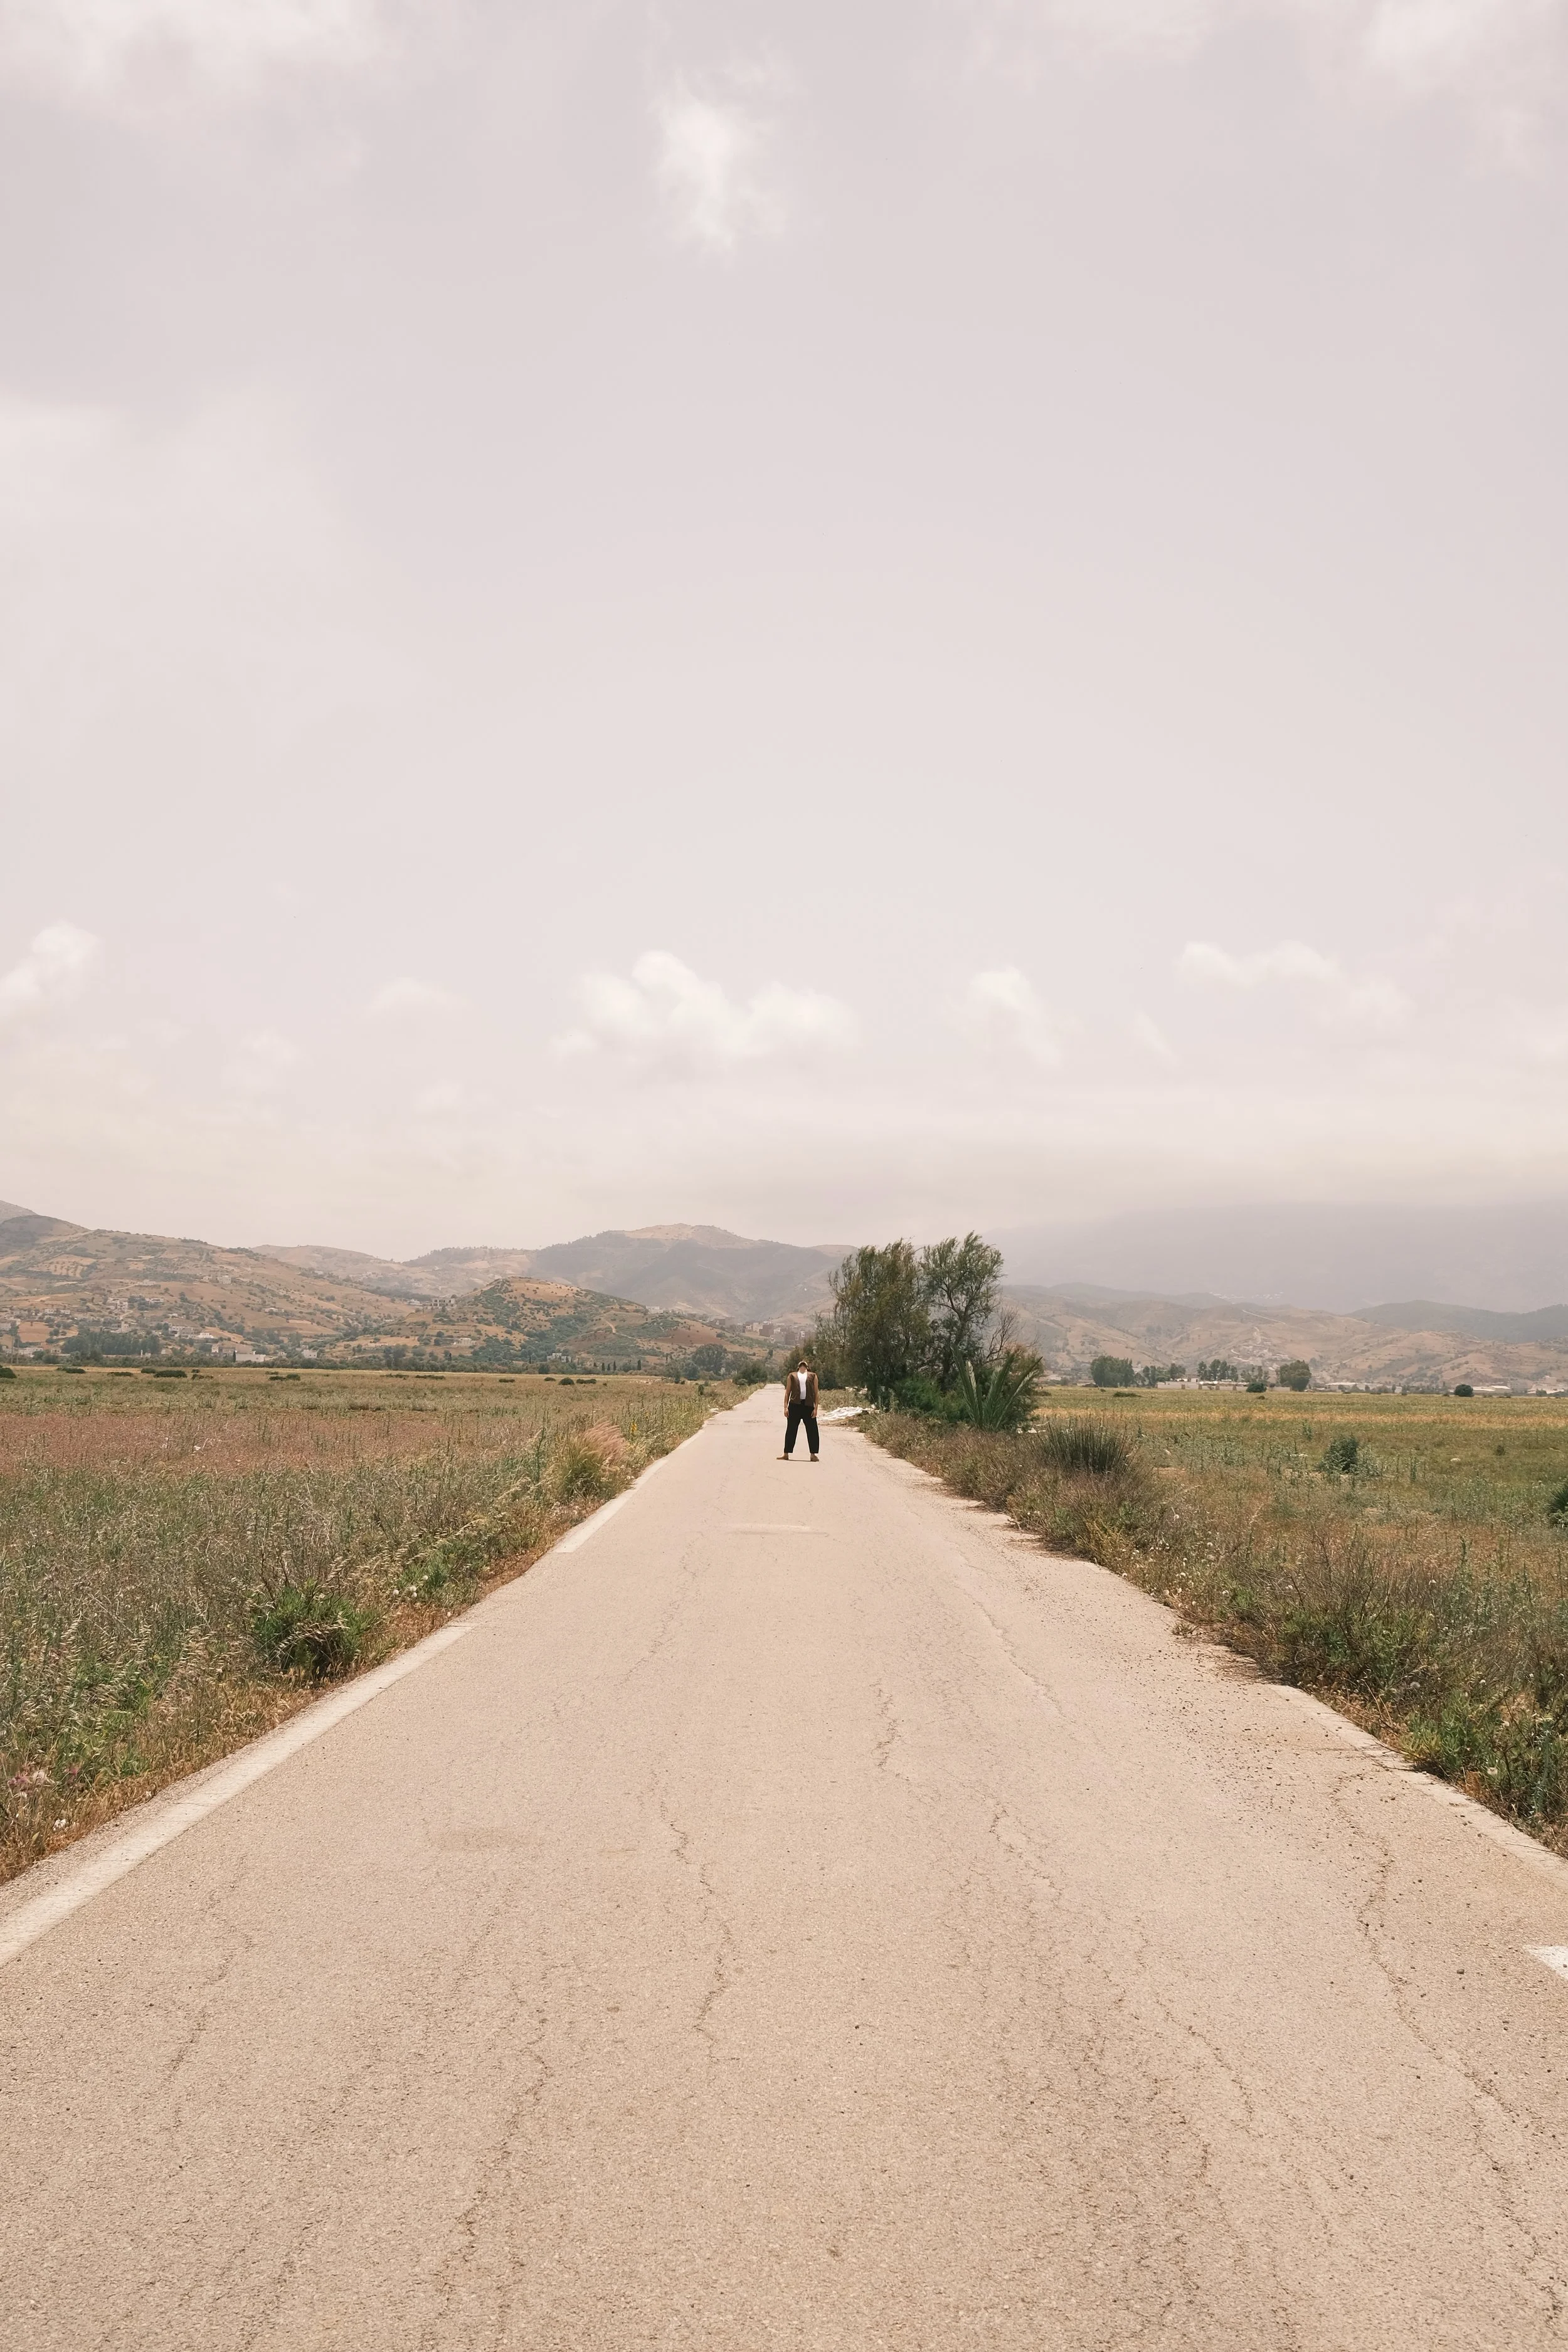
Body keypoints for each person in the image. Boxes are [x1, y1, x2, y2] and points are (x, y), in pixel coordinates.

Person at [781, 1358, 820, 1462]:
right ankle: (786, 1453)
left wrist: (816, 1409)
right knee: (791, 1429)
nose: (803, 1362)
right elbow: (787, 1392)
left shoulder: (813, 1376)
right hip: (794, 1406)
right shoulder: (792, 1375)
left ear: (807, 1367)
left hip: (808, 1406)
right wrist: (785, 1407)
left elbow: (816, 1393)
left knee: (812, 1430)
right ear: (798, 1367)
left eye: (805, 1363)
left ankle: (813, 1455)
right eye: (801, 1363)